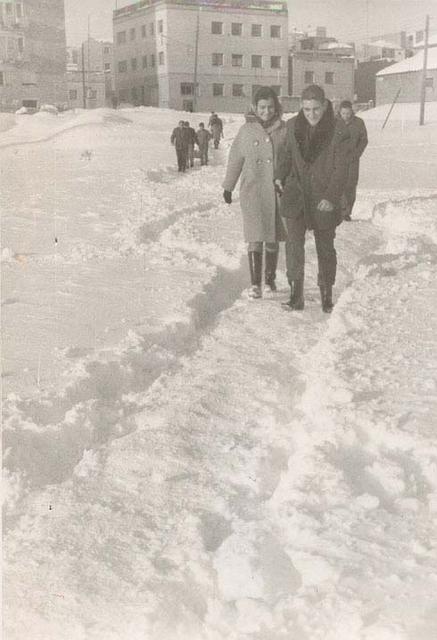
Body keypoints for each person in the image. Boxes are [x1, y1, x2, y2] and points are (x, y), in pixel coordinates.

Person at [275, 84, 350, 313]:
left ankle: (326, 294)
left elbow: (341, 169)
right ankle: (296, 295)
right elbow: (286, 155)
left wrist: (331, 196)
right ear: (301, 107)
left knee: (325, 247)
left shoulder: (338, 131)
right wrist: (279, 176)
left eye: (316, 109)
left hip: (323, 197)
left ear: (325, 105)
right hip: (296, 195)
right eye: (306, 109)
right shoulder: (292, 126)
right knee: (293, 245)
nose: (311, 114)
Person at [222, 86, 288, 298]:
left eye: (270, 107)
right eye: (262, 107)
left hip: (277, 192)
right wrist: (228, 186)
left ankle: (269, 280)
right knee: (254, 236)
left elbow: (290, 160)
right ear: (254, 107)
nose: (266, 111)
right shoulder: (245, 131)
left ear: (276, 107)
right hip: (253, 190)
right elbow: (235, 159)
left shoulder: (284, 129)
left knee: (273, 237)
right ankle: (255, 284)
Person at [336, 100, 368, 220]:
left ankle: (347, 212)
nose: (346, 116)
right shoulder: (334, 122)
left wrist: (356, 154)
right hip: (337, 159)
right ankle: (340, 210)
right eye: (343, 113)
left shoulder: (359, 123)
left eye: (348, 113)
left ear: (352, 112)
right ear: (340, 112)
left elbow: (364, 140)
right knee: (338, 184)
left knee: (350, 185)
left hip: (353, 160)